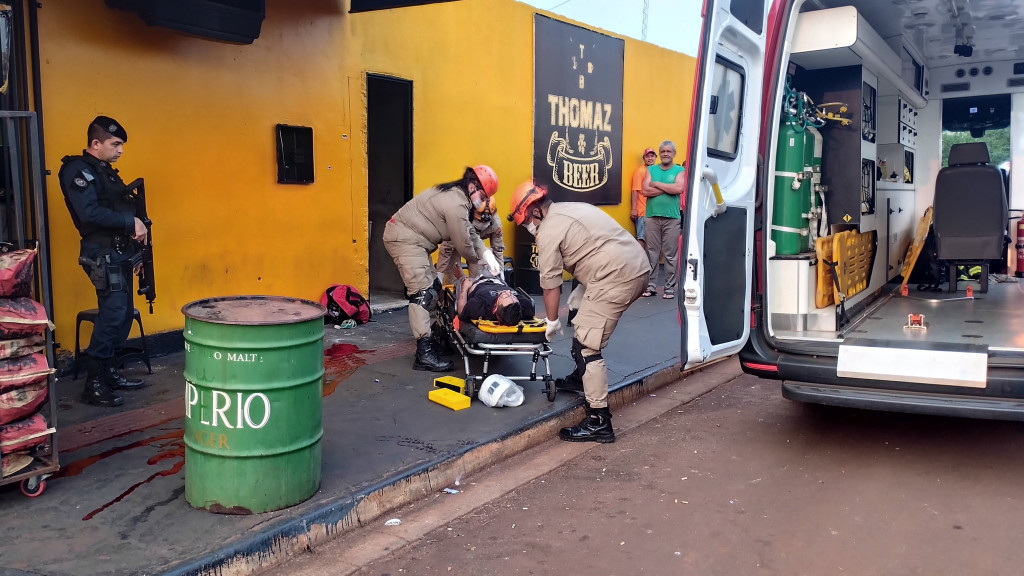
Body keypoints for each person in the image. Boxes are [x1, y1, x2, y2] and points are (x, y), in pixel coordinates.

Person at [508, 180, 651, 443]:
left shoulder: (548, 230)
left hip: (615, 276)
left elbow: (550, 284)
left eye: (526, 220)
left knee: (587, 345)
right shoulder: (568, 208)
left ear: (535, 210)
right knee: (579, 310)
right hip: (633, 267)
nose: (528, 227)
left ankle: (598, 421)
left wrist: (551, 321)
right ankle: (581, 377)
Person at [58, 116, 148, 408]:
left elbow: (122, 209)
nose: (120, 150)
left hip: (120, 251)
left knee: (122, 315)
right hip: (101, 253)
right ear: (95, 144)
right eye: (115, 144)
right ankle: (93, 384)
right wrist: (129, 221)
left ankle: (109, 373)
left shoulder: (106, 173)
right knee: (113, 312)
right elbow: (89, 214)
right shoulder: (77, 169)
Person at [384, 165, 503, 372]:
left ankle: (432, 339)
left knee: (435, 289)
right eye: (483, 195)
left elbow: (469, 233)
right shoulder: (456, 203)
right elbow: (463, 242)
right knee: (423, 293)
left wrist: (486, 253)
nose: (483, 201)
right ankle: (424, 353)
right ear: (473, 185)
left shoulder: (458, 197)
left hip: (414, 241)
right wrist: (479, 258)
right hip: (405, 239)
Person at [641, 140, 685, 299]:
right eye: (663, 151)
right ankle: (651, 286)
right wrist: (668, 188)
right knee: (651, 253)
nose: (665, 154)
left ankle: (669, 288)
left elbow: (679, 188)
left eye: (669, 151)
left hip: (672, 218)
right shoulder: (651, 169)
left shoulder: (680, 170)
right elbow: (645, 190)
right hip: (652, 216)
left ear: (674, 153)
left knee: (670, 255)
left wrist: (657, 184)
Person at [435, 196, 505, 285]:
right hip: (457, 243)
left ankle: (473, 293)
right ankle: (455, 294)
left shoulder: (495, 225)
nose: (482, 224)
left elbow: (498, 249)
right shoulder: (459, 222)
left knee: (477, 277)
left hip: (477, 246)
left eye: (485, 222)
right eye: (479, 221)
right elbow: (446, 249)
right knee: (453, 275)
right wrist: (439, 274)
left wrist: (501, 274)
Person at [456, 274, 534, 325]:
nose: (508, 291)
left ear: (495, 308)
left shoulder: (480, 306)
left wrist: (464, 289)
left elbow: (461, 312)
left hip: (476, 282)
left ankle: (461, 274)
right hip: (499, 280)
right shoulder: (523, 305)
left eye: (505, 296)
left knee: (465, 277)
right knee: (494, 261)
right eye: (513, 295)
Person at [630, 147, 657, 250]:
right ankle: (640, 264)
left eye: (652, 156)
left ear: (655, 157)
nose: (650, 158)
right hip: (643, 212)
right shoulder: (640, 171)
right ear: (644, 158)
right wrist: (634, 209)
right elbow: (635, 191)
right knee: (642, 238)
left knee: (653, 240)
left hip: (654, 212)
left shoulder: (655, 171)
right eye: (647, 156)